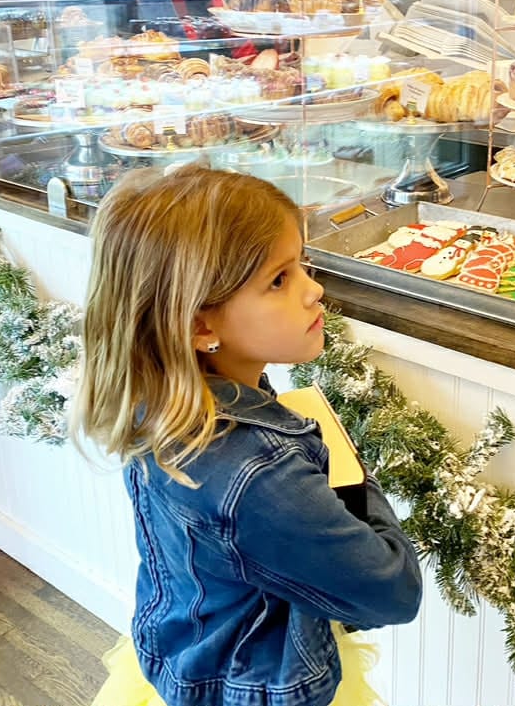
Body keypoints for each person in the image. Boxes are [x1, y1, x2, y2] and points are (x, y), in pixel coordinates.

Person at [75, 166, 423, 706]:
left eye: (302, 266)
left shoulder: (162, 395)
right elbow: (392, 591)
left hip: (187, 659)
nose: (315, 291)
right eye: (279, 280)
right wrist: (352, 470)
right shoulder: (258, 476)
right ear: (199, 326)